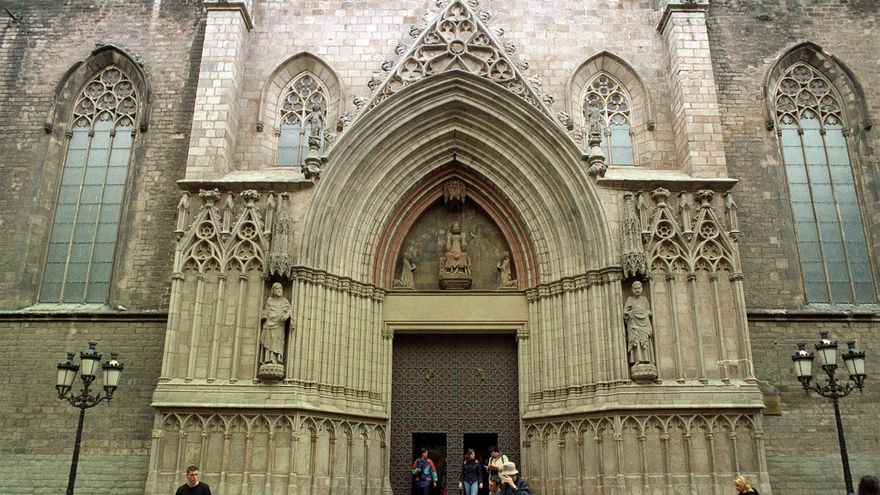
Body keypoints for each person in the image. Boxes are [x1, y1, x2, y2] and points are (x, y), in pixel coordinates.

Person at [260, 282, 292, 364]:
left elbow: (289, 311)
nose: (279, 290)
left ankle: (276, 358)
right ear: (273, 290)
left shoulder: (285, 301)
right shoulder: (269, 300)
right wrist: (264, 315)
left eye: (280, 288)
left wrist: (286, 316)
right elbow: (266, 311)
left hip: (279, 325)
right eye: (277, 288)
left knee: (277, 340)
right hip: (268, 324)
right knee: (268, 340)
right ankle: (267, 359)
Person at [623, 280, 654, 365]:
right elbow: (625, 312)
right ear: (632, 290)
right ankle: (637, 359)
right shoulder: (630, 299)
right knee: (635, 341)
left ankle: (647, 359)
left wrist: (647, 313)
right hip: (634, 323)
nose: (637, 290)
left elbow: (648, 310)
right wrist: (630, 314)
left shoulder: (644, 299)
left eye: (638, 288)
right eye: (635, 288)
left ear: (642, 289)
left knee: (645, 340)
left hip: (644, 322)